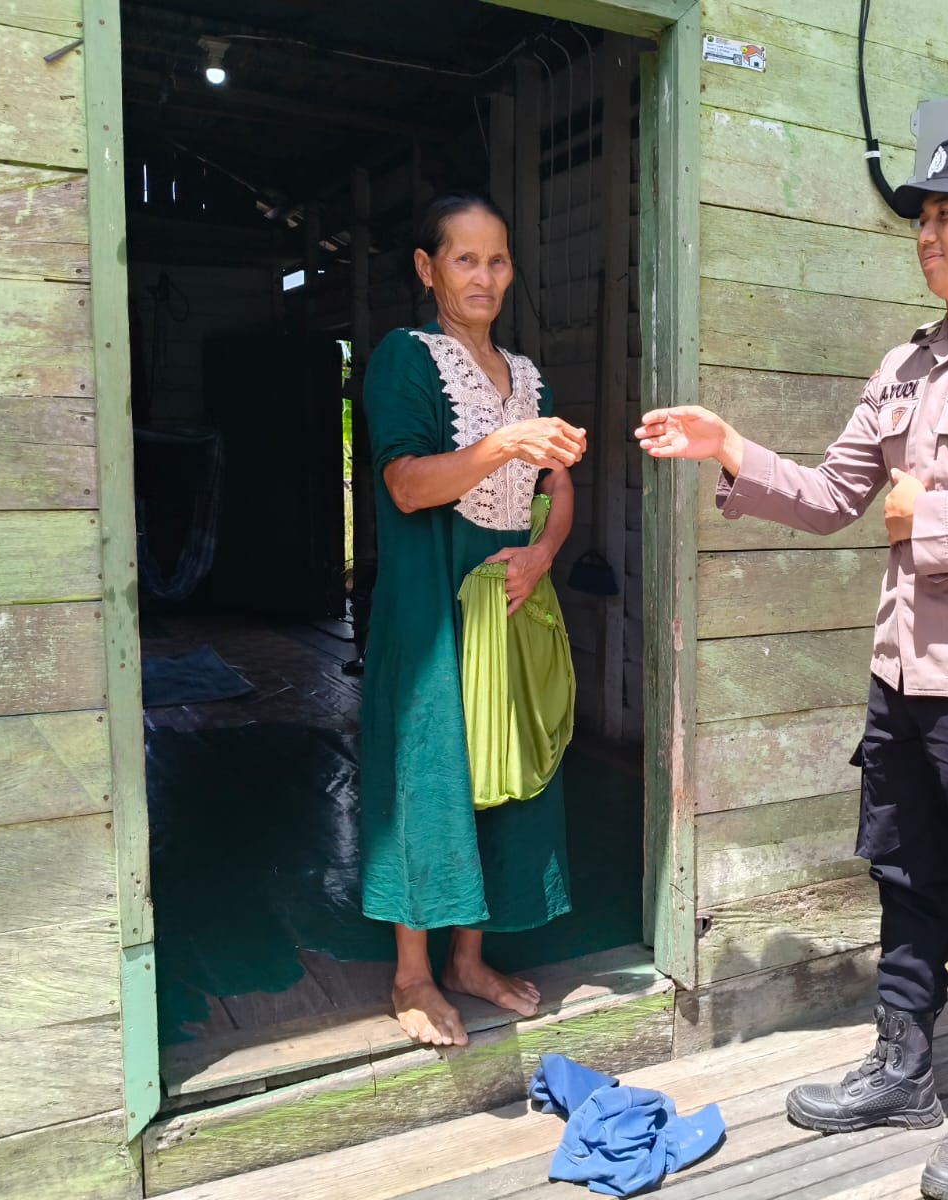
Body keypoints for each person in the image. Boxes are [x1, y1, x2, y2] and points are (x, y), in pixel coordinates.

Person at [635, 138, 948, 1200]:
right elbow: (825, 497)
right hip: (904, 675)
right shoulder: (902, 368)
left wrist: (932, 511)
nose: (928, 231)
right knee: (903, 874)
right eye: (921, 214)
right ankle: (903, 1064)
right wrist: (728, 447)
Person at [360, 194, 589, 1047]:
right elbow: (409, 485)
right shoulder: (407, 359)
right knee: (430, 770)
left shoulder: (528, 377)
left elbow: (559, 487)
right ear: (429, 269)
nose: (484, 276)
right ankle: (412, 977)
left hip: (506, 584)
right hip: (432, 593)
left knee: (501, 762)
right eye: (465, 259)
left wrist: (542, 554)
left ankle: (469, 960)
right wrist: (504, 445)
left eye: (497, 260)